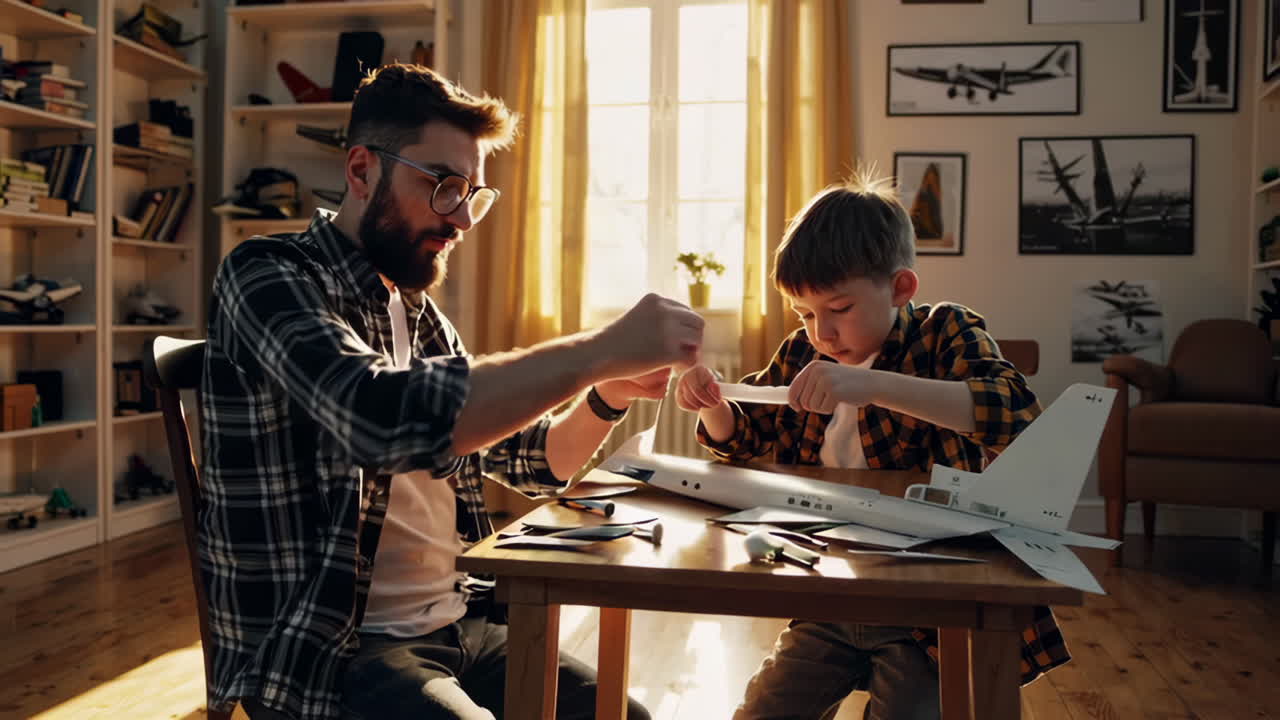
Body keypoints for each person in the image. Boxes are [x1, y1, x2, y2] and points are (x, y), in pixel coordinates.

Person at [201, 63, 696, 720]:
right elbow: (375, 416)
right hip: (333, 650)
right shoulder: (267, 274)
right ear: (360, 171)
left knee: (623, 716)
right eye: (443, 186)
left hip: (465, 625)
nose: (462, 217)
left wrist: (606, 391)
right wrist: (594, 350)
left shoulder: (421, 314)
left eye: (473, 194)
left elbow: (532, 461)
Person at [675, 176, 1067, 720]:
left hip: (927, 608)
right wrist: (712, 405)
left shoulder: (943, 331)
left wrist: (874, 386)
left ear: (901, 287)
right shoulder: (799, 353)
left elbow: (1016, 415)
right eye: (806, 314)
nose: (821, 333)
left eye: (838, 308)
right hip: (828, 595)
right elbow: (745, 440)